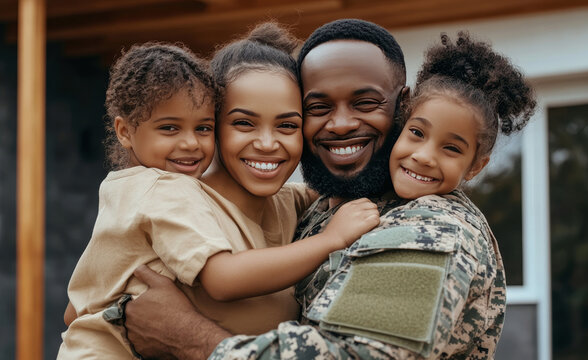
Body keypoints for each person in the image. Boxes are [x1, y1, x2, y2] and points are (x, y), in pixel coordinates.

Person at [123, 19, 534, 359]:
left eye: (365, 102)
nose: (339, 124)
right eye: (317, 108)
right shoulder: (323, 208)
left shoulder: (430, 225)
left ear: (404, 105)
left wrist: (185, 337)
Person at [58, 24, 380, 359]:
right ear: (218, 123)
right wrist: (330, 240)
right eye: (243, 122)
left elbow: (77, 304)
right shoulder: (168, 191)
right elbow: (80, 309)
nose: (268, 144)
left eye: (287, 125)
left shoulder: (288, 204)